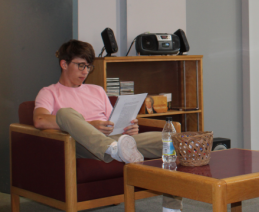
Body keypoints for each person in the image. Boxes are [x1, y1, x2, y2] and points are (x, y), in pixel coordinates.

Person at [33, 39, 182, 212]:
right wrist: (91, 125)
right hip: (81, 143)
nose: (85, 71)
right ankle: (113, 149)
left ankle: (172, 209)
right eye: (81, 65)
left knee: (171, 141)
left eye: (88, 66)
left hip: (116, 139)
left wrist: (129, 128)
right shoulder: (49, 92)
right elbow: (40, 120)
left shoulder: (97, 90)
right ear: (64, 64)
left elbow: (113, 121)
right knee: (65, 113)